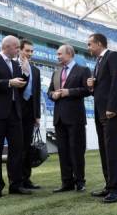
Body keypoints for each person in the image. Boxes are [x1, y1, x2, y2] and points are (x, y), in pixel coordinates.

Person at [0, 35, 32, 198]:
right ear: (7, 46)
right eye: (17, 47)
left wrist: (25, 73)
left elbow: (21, 86)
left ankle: (15, 184)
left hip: (14, 113)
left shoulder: (17, 64)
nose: (19, 50)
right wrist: (9, 82)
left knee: (17, 149)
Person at [86, 33, 117, 203]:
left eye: (90, 44)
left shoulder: (113, 56)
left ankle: (116, 189)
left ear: (99, 43)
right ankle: (109, 185)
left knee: (111, 150)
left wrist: (112, 107)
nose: (88, 47)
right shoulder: (99, 61)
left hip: (111, 111)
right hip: (100, 111)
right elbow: (103, 86)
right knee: (104, 149)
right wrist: (92, 86)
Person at [48, 44, 91, 193]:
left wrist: (69, 92)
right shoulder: (56, 71)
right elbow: (49, 92)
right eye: (57, 54)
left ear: (69, 54)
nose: (58, 56)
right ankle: (66, 182)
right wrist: (53, 95)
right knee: (63, 151)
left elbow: (87, 90)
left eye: (60, 54)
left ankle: (80, 182)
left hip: (75, 117)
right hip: (59, 118)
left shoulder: (83, 70)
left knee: (76, 150)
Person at [18, 39, 42, 189]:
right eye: (27, 50)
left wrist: (37, 115)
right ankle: (17, 180)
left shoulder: (36, 70)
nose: (30, 54)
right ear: (20, 50)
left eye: (32, 51)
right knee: (17, 148)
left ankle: (26, 179)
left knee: (27, 147)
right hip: (15, 111)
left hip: (29, 113)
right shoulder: (13, 66)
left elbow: (37, 94)